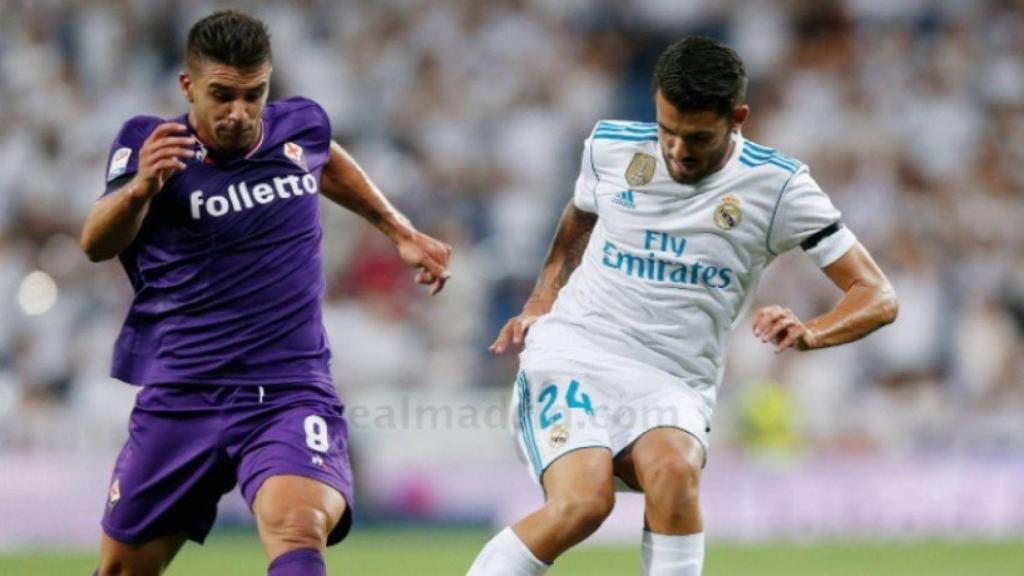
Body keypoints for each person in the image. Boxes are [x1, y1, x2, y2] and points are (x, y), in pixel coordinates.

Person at [468, 36, 897, 576]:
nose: (676, 151)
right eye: (667, 131)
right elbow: (579, 217)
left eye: (697, 138)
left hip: (674, 380)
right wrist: (541, 298)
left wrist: (813, 332)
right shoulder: (610, 148)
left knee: (674, 471)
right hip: (576, 350)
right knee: (584, 503)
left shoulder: (779, 187)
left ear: (737, 118)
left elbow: (877, 296)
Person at [80, 10, 452, 576]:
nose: (240, 113)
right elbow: (95, 243)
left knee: (297, 528)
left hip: (287, 391)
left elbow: (326, 160)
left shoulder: (298, 128)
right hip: (184, 391)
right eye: (222, 95)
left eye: (254, 95)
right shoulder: (150, 144)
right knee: (122, 571)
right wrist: (139, 191)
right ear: (188, 86)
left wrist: (398, 229)